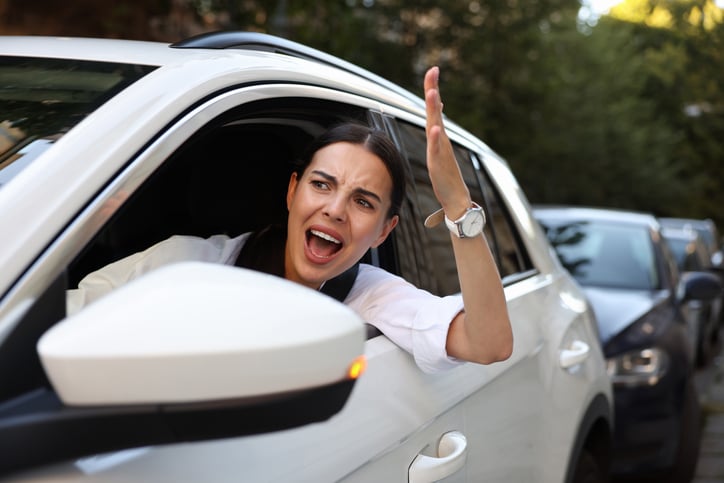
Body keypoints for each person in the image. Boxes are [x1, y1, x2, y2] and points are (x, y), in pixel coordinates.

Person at [66, 67, 513, 374]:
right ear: (291, 191)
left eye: (362, 201)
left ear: (384, 230)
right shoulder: (190, 265)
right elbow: (60, 320)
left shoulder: (373, 297)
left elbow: (489, 343)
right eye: (322, 185)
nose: (335, 209)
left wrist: (457, 204)